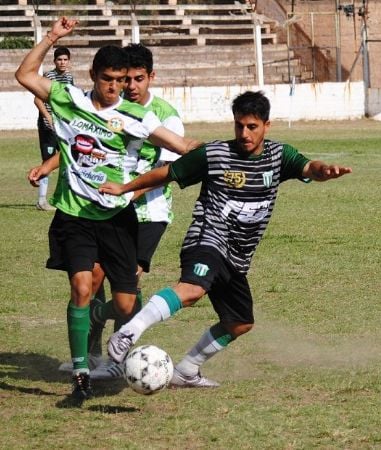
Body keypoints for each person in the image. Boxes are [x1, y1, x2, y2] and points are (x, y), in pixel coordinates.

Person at [101, 91, 351, 387]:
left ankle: (187, 370)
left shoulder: (278, 156)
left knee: (240, 322)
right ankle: (130, 330)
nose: (244, 133)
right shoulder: (214, 154)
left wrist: (325, 170)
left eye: (252, 127)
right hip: (208, 237)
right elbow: (167, 173)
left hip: (237, 256)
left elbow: (310, 168)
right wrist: (126, 188)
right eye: (239, 126)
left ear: (267, 125)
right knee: (193, 290)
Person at [18, 17, 201, 402]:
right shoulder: (68, 101)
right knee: (82, 287)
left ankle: (100, 331)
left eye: (120, 80)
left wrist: (225, 153)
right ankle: (82, 370)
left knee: (124, 304)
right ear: (93, 75)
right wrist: (52, 37)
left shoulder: (135, 116)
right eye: (108, 80)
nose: (116, 87)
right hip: (74, 215)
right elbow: (25, 74)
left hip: (118, 218)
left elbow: (181, 145)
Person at [84, 43, 186, 381]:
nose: (131, 86)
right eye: (127, 79)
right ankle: (92, 348)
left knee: (129, 281)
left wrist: (128, 193)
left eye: (139, 79)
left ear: (151, 77)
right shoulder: (115, 108)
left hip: (150, 212)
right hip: (110, 209)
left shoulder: (167, 115)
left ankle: (117, 353)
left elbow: (167, 171)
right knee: (95, 275)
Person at [33, 46, 73, 211]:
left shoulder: (70, 77)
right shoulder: (49, 76)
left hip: (63, 125)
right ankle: (41, 200)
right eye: (59, 59)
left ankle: (63, 196)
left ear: (69, 61)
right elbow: (37, 100)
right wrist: (48, 117)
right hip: (48, 126)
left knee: (67, 158)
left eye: (65, 59)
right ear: (54, 61)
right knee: (48, 160)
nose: (62, 62)